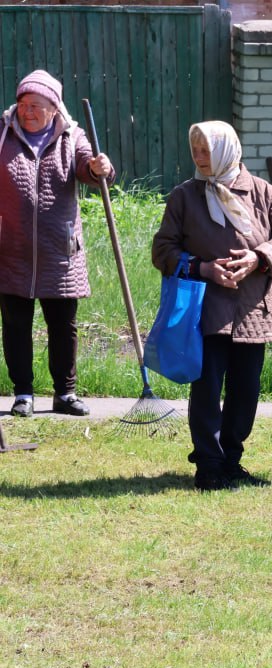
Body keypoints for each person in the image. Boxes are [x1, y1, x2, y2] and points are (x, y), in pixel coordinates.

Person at [152, 121, 272, 491]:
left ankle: (231, 460)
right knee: (207, 388)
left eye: (207, 150)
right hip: (206, 311)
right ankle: (209, 464)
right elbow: (162, 250)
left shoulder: (262, 193)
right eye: (196, 150)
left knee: (246, 391)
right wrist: (203, 268)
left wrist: (258, 258)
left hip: (252, 309)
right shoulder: (185, 197)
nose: (201, 158)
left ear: (227, 151)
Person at [0, 70, 114, 418]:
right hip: (11, 248)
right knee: (16, 324)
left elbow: (88, 168)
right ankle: (23, 393)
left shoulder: (71, 136)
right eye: (22, 104)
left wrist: (99, 167)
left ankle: (65, 393)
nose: (27, 111)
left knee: (63, 325)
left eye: (36, 105)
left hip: (59, 249)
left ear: (54, 107)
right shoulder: (3, 134)